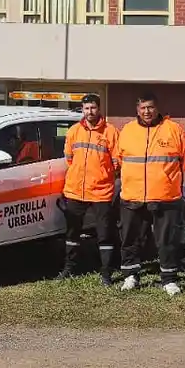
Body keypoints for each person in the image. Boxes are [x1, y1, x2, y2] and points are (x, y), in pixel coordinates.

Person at [115, 91, 185, 296]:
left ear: (157, 108)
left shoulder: (174, 129)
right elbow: (120, 159)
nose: (146, 111)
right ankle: (130, 275)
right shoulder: (127, 131)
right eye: (142, 108)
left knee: (166, 240)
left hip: (165, 196)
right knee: (130, 238)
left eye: (150, 107)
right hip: (132, 196)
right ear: (137, 110)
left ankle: (169, 279)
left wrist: (165, 179)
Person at [60, 93, 121, 282]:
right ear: (82, 109)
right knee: (72, 232)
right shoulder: (73, 131)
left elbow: (117, 162)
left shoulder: (110, 132)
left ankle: (106, 272)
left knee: (104, 233)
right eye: (86, 108)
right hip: (75, 190)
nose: (89, 111)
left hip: (101, 191)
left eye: (93, 107)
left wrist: (102, 175)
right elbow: (69, 159)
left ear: (99, 108)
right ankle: (70, 268)